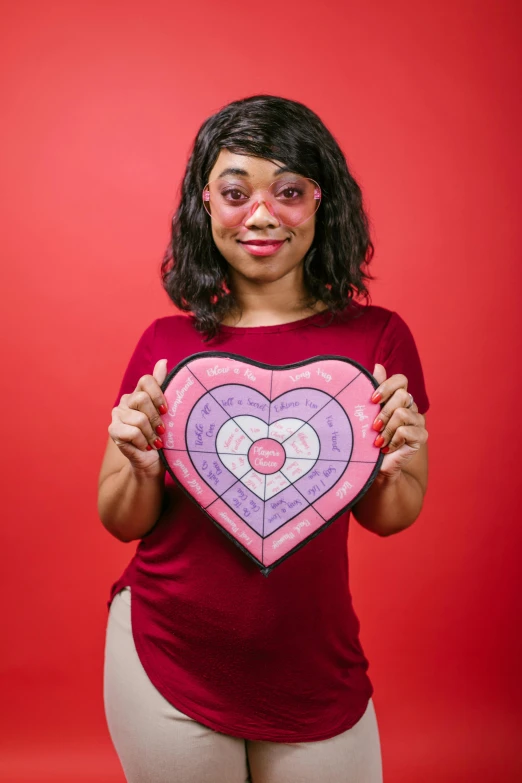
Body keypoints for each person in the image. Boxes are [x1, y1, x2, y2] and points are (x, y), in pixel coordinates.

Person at [98, 94, 429, 783]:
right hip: (166, 650)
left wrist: (396, 468)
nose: (261, 214)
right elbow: (120, 517)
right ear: (205, 204)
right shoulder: (166, 343)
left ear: (322, 202)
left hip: (313, 667)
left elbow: (388, 516)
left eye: (289, 191)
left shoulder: (378, 339)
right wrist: (134, 462)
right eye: (235, 190)